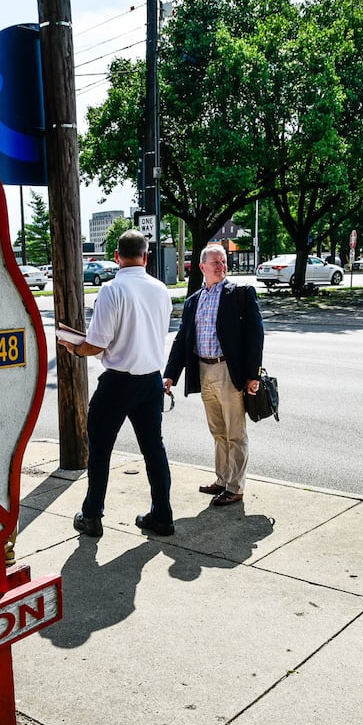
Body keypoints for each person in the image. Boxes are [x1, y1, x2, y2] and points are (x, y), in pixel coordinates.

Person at [59, 229, 175, 538]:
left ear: (116, 257)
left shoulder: (112, 289)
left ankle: (92, 515)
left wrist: (74, 347)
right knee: (154, 450)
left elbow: (97, 343)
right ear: (146, 257)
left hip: (117, 383)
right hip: (151, 380)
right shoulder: (161, 290)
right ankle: (162, 514)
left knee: (100, 450)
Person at [163, 243, 264, 507]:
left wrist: (253, 374)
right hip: (203, 370)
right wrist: (170, 375)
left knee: (235, 433)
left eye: (223, 261)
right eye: (215, 262)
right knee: (218, 430)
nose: (221, 266)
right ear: (202, 267)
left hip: (228, 371)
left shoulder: (239, 293)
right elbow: (182, 339)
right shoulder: (194, 301)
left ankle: (235, 486)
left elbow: (255, 336)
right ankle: (222, 480)